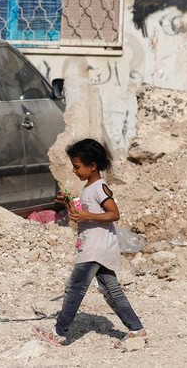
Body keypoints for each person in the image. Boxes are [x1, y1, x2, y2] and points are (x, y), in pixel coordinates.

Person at [33, 138, 147, 348]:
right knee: (111, 290)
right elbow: (80, 216)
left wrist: (88, 216)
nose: (74, 171)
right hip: (97, 247)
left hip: (94, 249)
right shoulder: (88, 188)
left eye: (77, 166)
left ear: (92, 166)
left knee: (75, 288)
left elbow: (114, 214)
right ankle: (137, 329)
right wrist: (68, 202)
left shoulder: (99, 188)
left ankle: (59, 333)